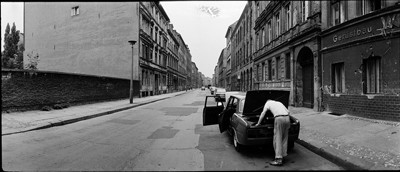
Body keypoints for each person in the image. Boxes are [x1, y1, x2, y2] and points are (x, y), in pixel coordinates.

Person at [254, 99, 290, 166]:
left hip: (279, 118)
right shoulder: (279, 102)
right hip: (287, 118)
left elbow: (263, 113)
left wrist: (258, 123)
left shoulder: (268, 103)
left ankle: (278, 159)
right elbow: (288, 111)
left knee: (278, 138)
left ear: (267, 101)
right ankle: (283, 155)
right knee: (284, 138)